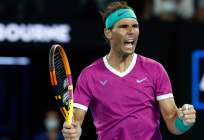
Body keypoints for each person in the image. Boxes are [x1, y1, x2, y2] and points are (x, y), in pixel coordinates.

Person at [62, 1, 196, 140]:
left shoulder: (155, 69)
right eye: (124, 26)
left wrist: (184, 122)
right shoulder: (89, 75)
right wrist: (73, 132)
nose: (131, 31)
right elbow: (76, 122)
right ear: (108, 32)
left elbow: (172, 121)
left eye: (135, 26)